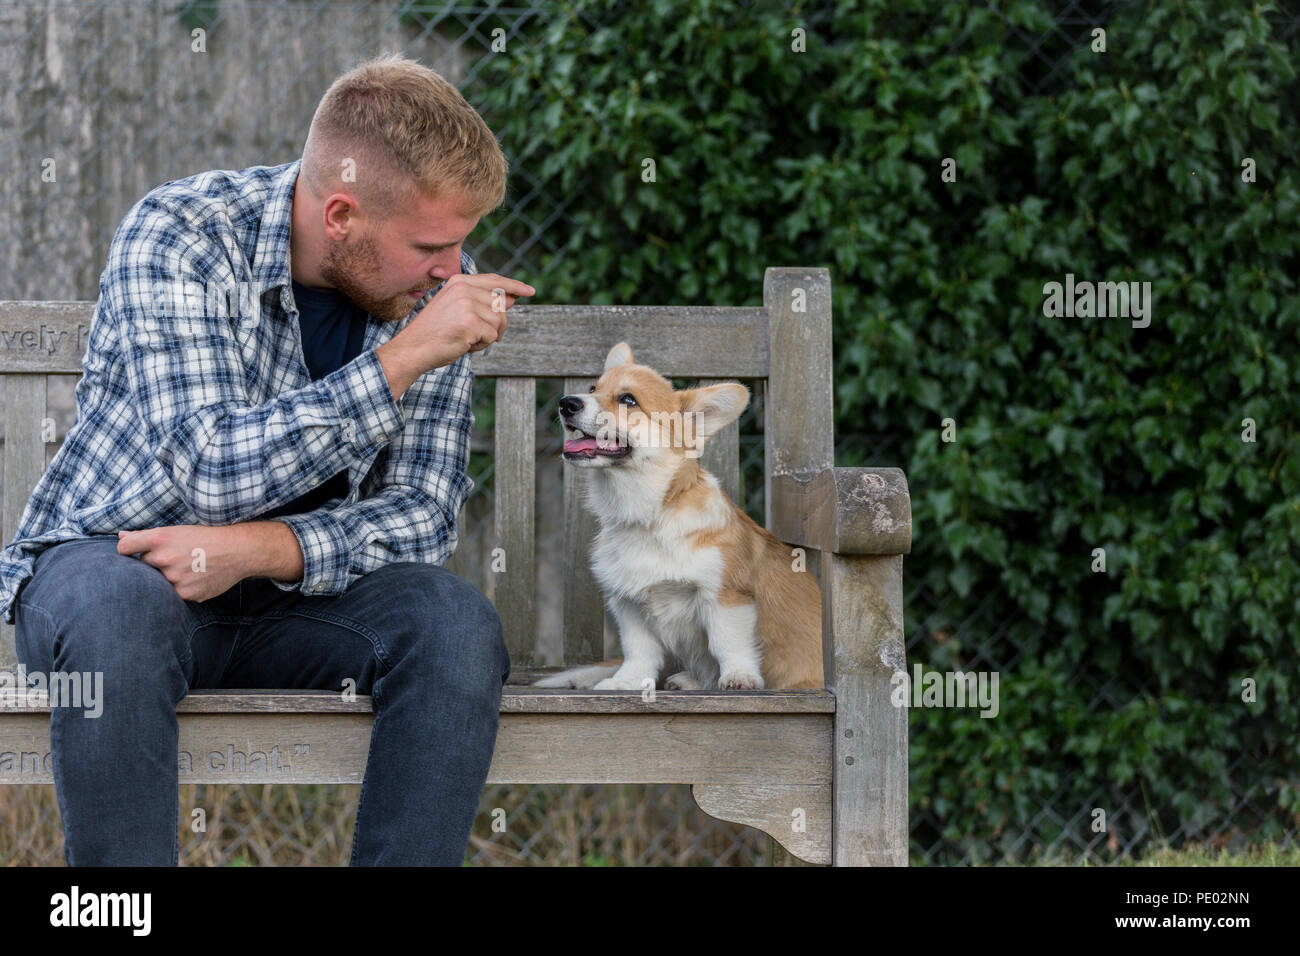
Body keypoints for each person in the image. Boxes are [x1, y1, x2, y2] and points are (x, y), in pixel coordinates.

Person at [0, 50, 535, 866]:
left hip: (296, 602)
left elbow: (423, 518)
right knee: (120, 615)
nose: (453, 271)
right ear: (342, 216)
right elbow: (209, 472)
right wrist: (400, 362)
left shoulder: (426, 295)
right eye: (432, 244)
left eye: (462, 246)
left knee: (455, 625)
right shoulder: (181, 235)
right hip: (119, 565)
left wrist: (263, 550)